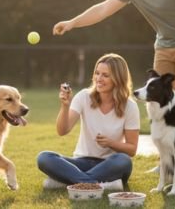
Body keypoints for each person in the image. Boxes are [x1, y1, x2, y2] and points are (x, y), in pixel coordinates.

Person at [37, 53, 140, 189]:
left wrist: (111, 143)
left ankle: (66, 182)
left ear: (118, 79)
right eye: (97, 73)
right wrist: (65, 106)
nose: (99, 78)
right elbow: (62, 130)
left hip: (110, 164)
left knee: (124, 161)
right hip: (81, 162)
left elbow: (132, 149)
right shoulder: (84, 96)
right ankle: (103, 185)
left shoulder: (130, 106)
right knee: (44, 158)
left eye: (105, 75)